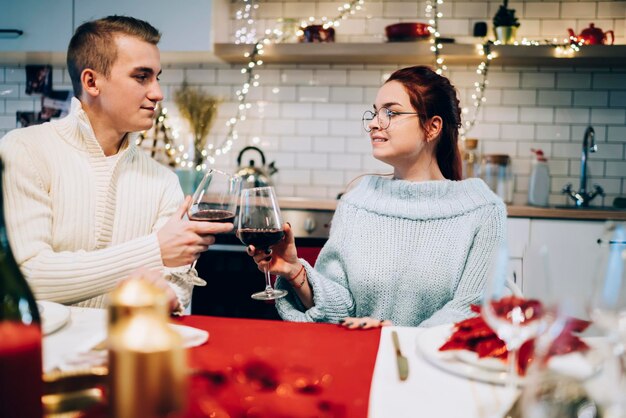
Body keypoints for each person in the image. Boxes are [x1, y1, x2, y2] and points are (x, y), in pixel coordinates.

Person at [0, 16, 232, 314]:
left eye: (157, 77)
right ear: (91, 82)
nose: (158, 93)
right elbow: (28, 276)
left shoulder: (163, 181)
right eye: (141, 76)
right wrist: (154, 250)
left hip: (130, 352)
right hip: (44, 354)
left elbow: (176, 286)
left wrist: (170, 295)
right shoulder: (25, 151)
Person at [247, 65, 507, 328]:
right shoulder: (358, 202)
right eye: (375, 112)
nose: (373, 123)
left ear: (432, 127)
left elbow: (474, 307)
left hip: (433, 365)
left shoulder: (482, 210)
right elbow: (340, 308)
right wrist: (295, 272)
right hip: (357, 360)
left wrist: (399, 339)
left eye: (390, 113)